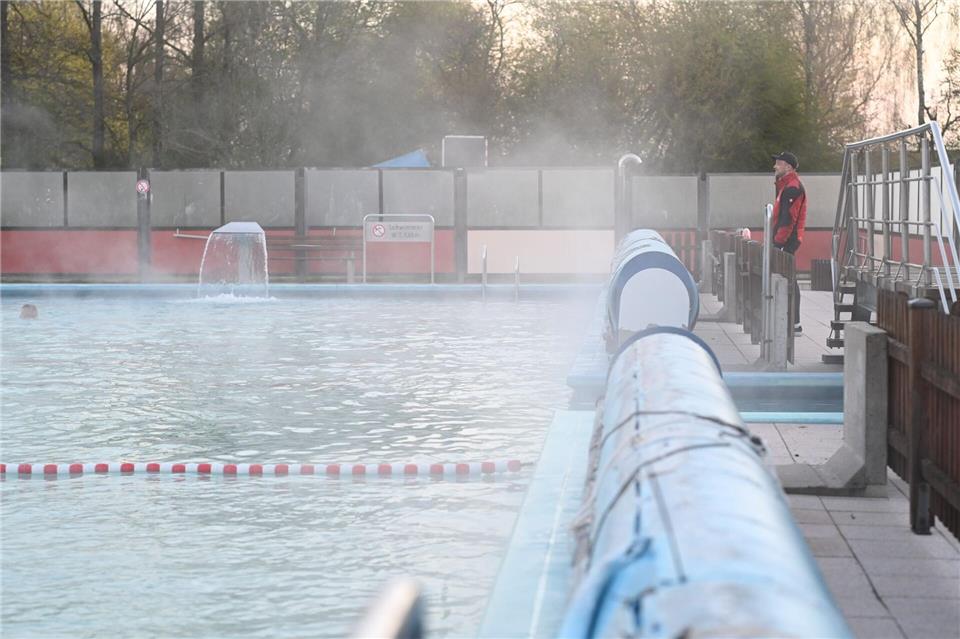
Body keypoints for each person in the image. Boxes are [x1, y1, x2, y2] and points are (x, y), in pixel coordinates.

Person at [772, 151, 807, 333]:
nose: (775, 166)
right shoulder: (785, 186)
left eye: (778, 163)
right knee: (787, 278)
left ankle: (795, 323)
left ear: (788, 167)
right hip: (785, 240)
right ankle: (791, 321)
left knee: (789, 280)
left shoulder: (792, 188)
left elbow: (788, 219)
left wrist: (778, 242)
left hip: (787, 241)